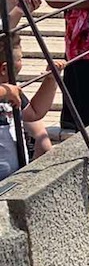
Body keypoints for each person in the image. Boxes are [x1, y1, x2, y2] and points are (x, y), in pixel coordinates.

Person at [0, 34, 54, 181]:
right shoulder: (9, 92)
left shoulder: (14, 92)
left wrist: (51, 80)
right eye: (19, 59)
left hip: (12, 177)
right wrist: (5, 91)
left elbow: (35, 112)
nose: (21, 63)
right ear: (4, 69)